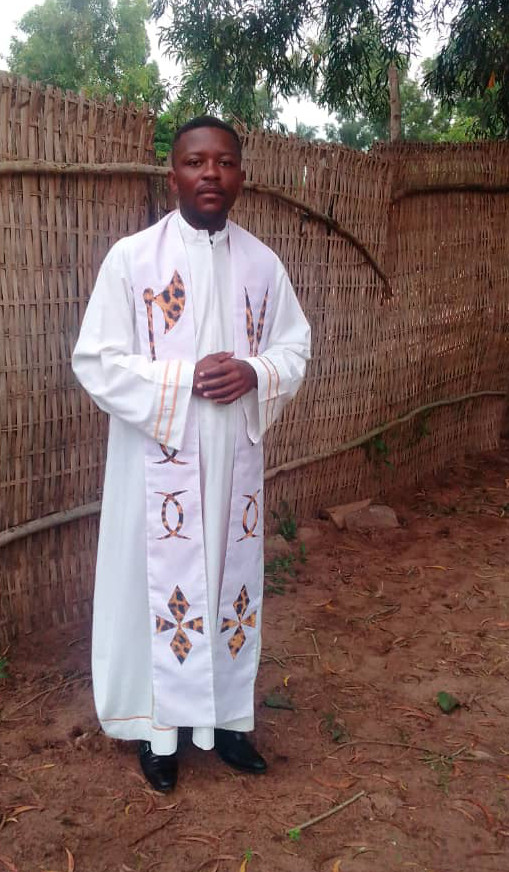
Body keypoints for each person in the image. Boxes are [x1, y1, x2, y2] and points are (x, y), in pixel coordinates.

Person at [72, 116, 311, 792]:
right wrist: (181, 380)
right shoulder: (131, 260)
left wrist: (254, 373)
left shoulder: (263, 265)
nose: (211, 173)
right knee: (160, 589)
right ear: (172, 174)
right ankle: (159, 735)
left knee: (227, 585)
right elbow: (95, 359)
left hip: (232, 458)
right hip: (158, 461)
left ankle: (228, 723)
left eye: (225, 162)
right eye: (196, 161)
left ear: (241, 176)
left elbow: (294, 347)